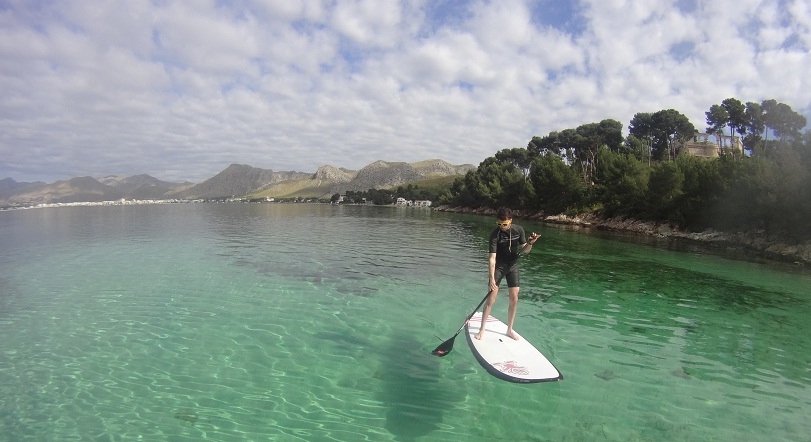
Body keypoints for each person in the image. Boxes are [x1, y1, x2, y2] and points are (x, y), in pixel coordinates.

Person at [475, 207, 540, 341]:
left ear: (510, 221)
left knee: (514, 298)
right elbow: (492, 258)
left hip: (513, 265)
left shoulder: (518, 230)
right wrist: (492, 278)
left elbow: (526, 251)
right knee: (491, 298)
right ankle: (482, 329)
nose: (502, 227)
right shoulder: (495, 235)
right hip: (498, 267)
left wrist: (530, 243)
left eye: (504, 224)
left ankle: (509, 329)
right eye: (499, 224)